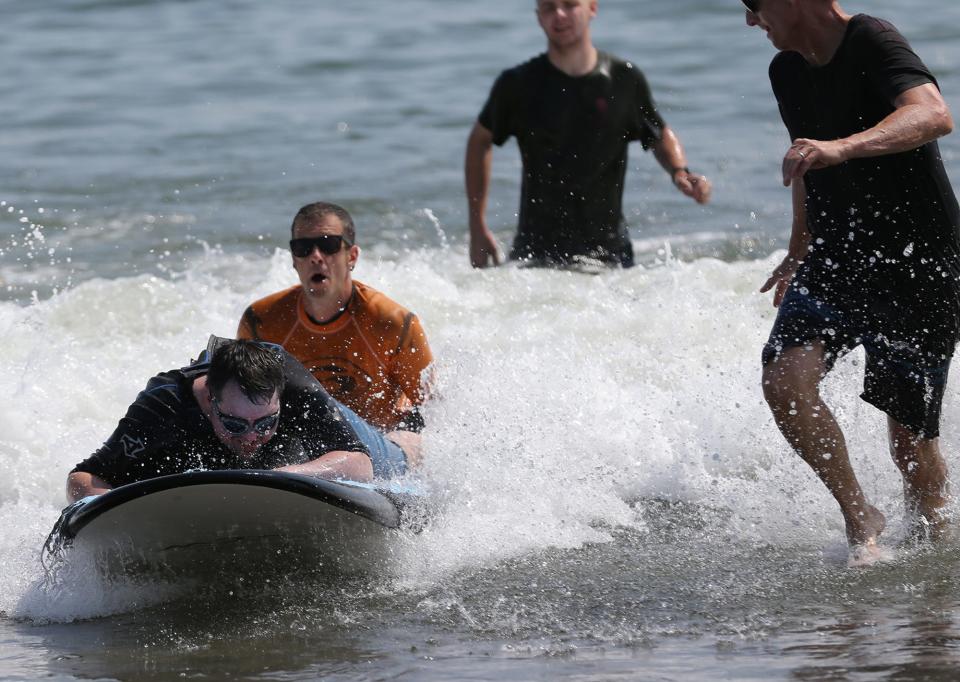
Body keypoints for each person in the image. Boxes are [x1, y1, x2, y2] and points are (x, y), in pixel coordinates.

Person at [745, 0, 960, 561]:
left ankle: (935, 556)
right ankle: (859, 515)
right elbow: (805, 159)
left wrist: (843, 147)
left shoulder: (874, 39)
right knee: (783, 383)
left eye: (753, 5)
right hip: (837, 255)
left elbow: (933, 114)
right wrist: (798, 247)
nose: (750, 20)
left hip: (919, 260)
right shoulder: (786, 68)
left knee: (911, 442)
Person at [465, 0, 712, 269]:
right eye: (549, 7)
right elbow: (479, 141)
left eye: (570, 5)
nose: (559, 15)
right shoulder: (517, 84)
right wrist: (477, 226)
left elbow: (658, 133)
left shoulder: (624, 80)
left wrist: (680, 171)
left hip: (611, 257)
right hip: (534, 258)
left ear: (592, 8)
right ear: (538, 17)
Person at [66, 338, 410, 503]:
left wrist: (274, 478)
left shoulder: (297, 390)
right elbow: (84, 476)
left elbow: (359, 464)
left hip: (331, 445)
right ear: (209, 401)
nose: (251, 437)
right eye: (234, 425)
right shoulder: (165, 405)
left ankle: (413, 436)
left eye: (265, 424)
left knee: (399, 455)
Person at [237, 202, 432, 462]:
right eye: (303, 248)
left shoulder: (393, 323)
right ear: (294, 260)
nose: (316, 256)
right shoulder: (261, 321)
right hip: (305, 444)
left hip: (380, 444)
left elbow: (431, 410)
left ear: (351, 256)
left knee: (411, 440)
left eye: (328, 245)